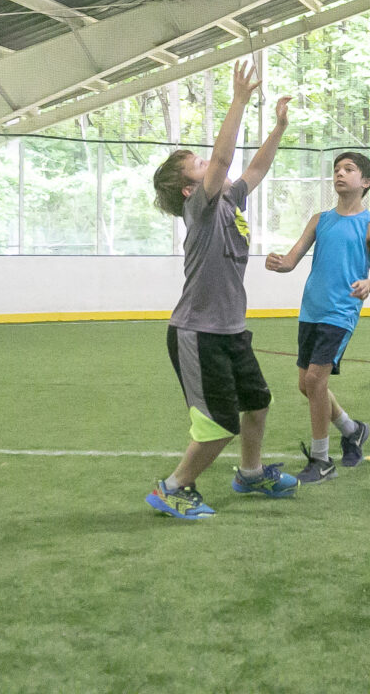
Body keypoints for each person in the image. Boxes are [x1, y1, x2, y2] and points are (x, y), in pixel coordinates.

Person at [143, 60, 299, 519]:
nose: (212, 163)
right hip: (197, 332)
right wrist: (238, 101)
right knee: (218, 424)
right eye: (201, 165)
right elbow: (229, 160)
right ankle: (172, 487)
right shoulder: (202, 211)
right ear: (191, 190)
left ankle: (250, 474)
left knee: (258, 401)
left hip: (231, 330)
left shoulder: (230, 200)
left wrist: (278, 128)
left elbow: (253, 167)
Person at [265, 152, 370, 484]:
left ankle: (321, 460)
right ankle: (353, 429)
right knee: (306, 386)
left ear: (366, 182)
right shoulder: (320, 219)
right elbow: (292, 260)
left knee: (316, 382)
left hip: (340, 313)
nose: (340, 173)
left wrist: (369, 284)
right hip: (311, 310)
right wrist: (278, 263)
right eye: (337, 169)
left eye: (349, 169)